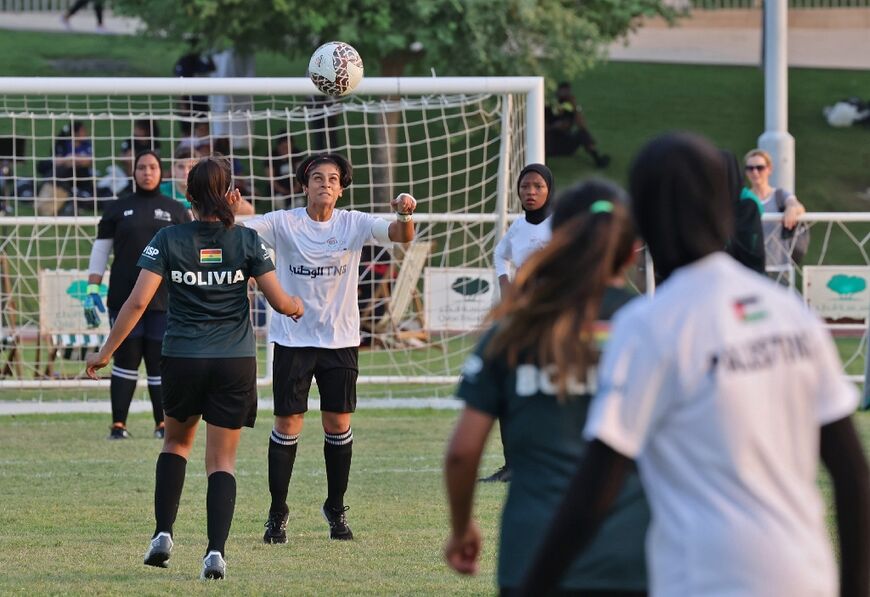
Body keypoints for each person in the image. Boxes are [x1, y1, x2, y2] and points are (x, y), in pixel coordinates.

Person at [518, 132, 870, 597]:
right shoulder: (792, 316)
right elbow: (852, 476)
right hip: (805, 575)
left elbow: (595, 489)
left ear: (643, 219)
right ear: (723, 205)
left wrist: (535, 584)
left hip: (704, 577)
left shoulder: (650, 325)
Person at [85, 156, 304, 580]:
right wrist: (296, 306)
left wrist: (106, 351)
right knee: (221, 461)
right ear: (231, 195)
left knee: (175, 445)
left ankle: (163, 533)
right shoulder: (246, 240)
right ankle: (215, 553)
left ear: (187, 197)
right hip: (233, 362)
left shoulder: (168, 238)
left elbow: (137, 302)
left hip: (183, 358)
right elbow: (280, 301)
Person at [445, 179, 650, 595]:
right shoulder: (656, 327)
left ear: (554, 240)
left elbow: (463, 453)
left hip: (532, 553)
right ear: (631, 252)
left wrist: (462, 528)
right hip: (633, 554)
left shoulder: (512, 329)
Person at [242, 153, 417, 542]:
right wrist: (229, 208)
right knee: (288, 424)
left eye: (333, 178)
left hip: (340, 341)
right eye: (316, 177)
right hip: (292, 340)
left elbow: (402, 235)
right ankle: (277, 512)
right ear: (304, 185)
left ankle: (335, 508)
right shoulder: (284, 222)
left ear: (341, 188)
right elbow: (239, 231)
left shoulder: (353, 223)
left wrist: (405, 213)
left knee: (337, 424)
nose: (324, 183)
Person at [85, 151, 190, 440]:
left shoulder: (177, 210)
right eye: (142, 167)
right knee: (125, 362)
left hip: (165, 299)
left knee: (160, 363)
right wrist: (92, 287)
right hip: (123, 296)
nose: (147, 172)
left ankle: (162, 424)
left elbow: (187, 255)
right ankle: (118, 425)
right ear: (134, 172)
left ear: (161, 171)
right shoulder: (117, 209)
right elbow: (101, 250)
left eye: (153, 167)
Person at [482, 163, 555, 483]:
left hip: (554, 320)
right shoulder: (517, 227)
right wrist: (505, 285)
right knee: (512, 387)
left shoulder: (560, 225)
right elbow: (500, 255)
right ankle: (512, 465)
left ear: (549, 190)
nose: (531, 192)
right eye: (525, 186)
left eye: (538, 186)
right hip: (523, 320)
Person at [743, 148, 806, 272]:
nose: (755, 172)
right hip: (749, 268)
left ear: (769, 169)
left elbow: (796, 205)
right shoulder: (743, 197)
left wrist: (791, 209)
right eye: (750, 168)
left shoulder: (779, 195)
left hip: (779, 267)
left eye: (759, 167)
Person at [545, 82, 610, 169]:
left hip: (566, 144)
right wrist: (555, 127)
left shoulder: (571, 109)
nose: (565, 94)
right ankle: (543, 163)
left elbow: (582, 126)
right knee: (544, 136)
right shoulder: (549, 108)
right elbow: (542, 128)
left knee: (582, 133)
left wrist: (575, 107)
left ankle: (597, 158)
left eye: (567, 92)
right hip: (551, 144)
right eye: (563, 91)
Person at [721, 149, 765, 273]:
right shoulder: (710, 199)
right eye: (750, 168)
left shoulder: (748, 202)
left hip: (745, 272)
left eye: (759, 167)